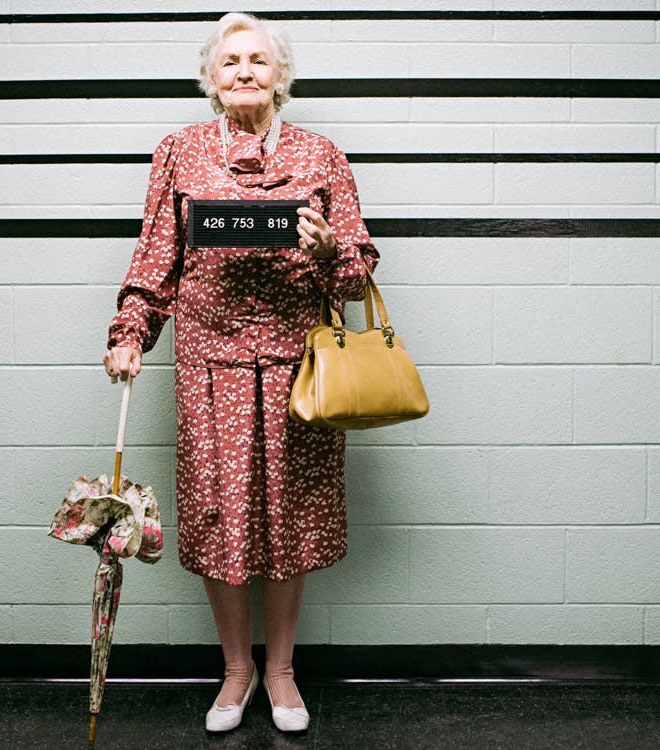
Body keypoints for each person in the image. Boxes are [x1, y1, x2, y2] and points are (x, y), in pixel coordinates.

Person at [100, 11, 378, 734]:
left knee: (290, 516)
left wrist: (328, 253)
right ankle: (236, 670)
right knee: (219, 514)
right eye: (230, 61)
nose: (245, 71)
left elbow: (357, 274)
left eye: (258, 60)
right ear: (211, 78)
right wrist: (130, 334)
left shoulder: (320, 157)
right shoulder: (179, 152)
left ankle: (281, 671)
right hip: (209, 367)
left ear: (281, 76)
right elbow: (156, 259)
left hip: (299, 368)